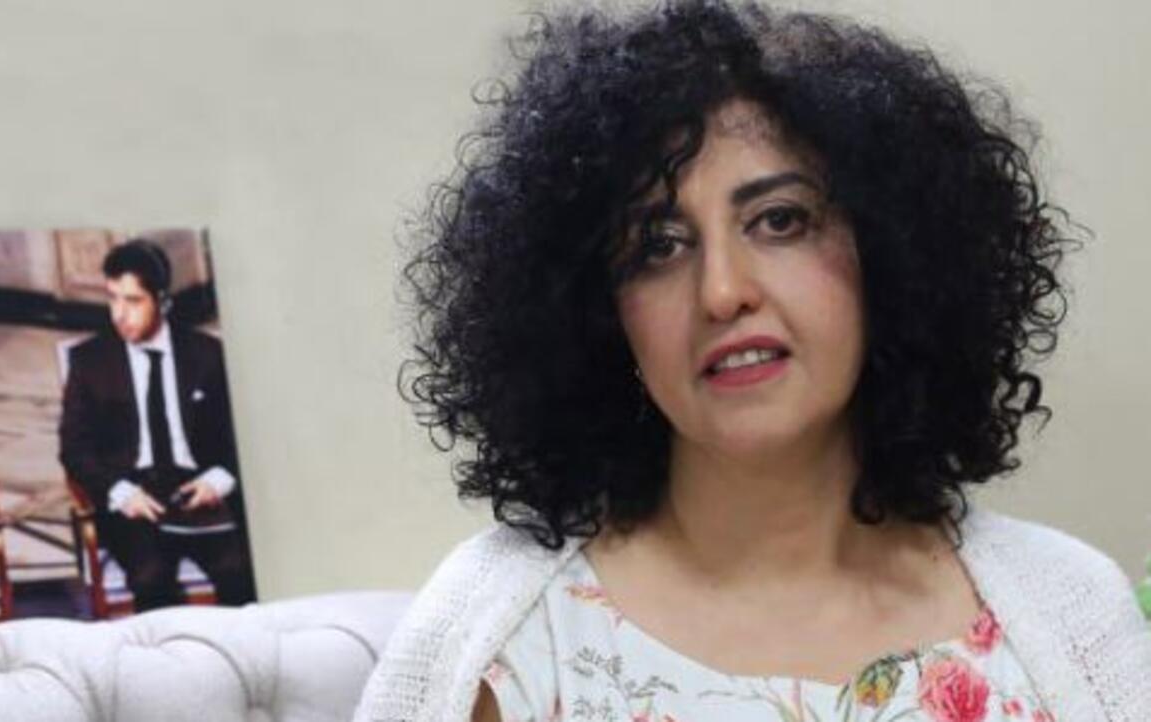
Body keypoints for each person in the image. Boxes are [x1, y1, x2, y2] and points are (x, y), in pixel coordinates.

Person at [355, 2, 1151, 721]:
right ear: (599, 313)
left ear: (892, 254)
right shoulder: (504, 638)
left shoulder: (1068, 611)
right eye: (658, 246)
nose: (722, 292)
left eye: (779, 221)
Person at [59, 238, 256, 612]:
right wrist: (120, 492)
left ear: (162, 301)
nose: (119, 314)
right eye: (113, 298)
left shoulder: (206, 354)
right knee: (151, 578)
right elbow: (74, 449)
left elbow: (241, 432)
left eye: (133, 301)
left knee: (239, 572)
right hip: (134, 497)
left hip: (197, 490)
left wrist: (219, 479)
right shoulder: (89, 361)